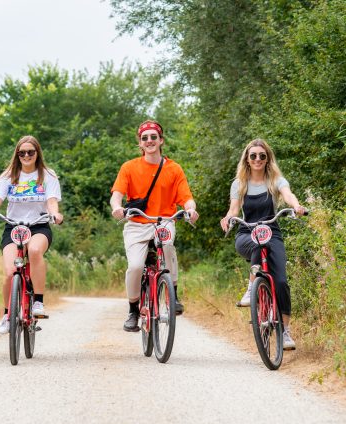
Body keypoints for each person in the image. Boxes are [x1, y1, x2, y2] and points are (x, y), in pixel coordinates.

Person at [110, 120, 199, 332]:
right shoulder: (129, 167)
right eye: (144, 138)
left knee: (167, 246)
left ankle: (173, 294)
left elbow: (187, 198)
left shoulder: (174, 169)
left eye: (153, 137)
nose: (149, 141)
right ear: (139, 143)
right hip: (137, 223)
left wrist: (191, 210)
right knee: (135, 267)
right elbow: (116, 195)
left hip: (164, 220)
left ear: (161, 141)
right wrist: (117, 207)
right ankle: (133, 309)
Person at [220, 138, 305, 350]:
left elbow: (288, 195)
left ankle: (284, 332)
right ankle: (252, 287)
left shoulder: (275, 180)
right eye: (253, 156)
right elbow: (234, 209)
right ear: (247, 159)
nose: (258, 159)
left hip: (272, 233)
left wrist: (296, 206)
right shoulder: (239, 184)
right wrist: (228, 218)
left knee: (282, 282)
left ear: (267, 159)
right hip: (247, 233)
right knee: (258, 243)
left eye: (262, 156)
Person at [0, 135, 63, 334]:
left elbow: (52, 201)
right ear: (17, 155)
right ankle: (7, 314)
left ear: (37, 153)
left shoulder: (48, 175)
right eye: (22, 152)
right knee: (10, 272)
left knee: (35, 250)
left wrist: (55, 214)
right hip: (13, 227)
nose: (26, 156)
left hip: (38, 225)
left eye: (31, 152)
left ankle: (38, 301)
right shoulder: (8, 176)